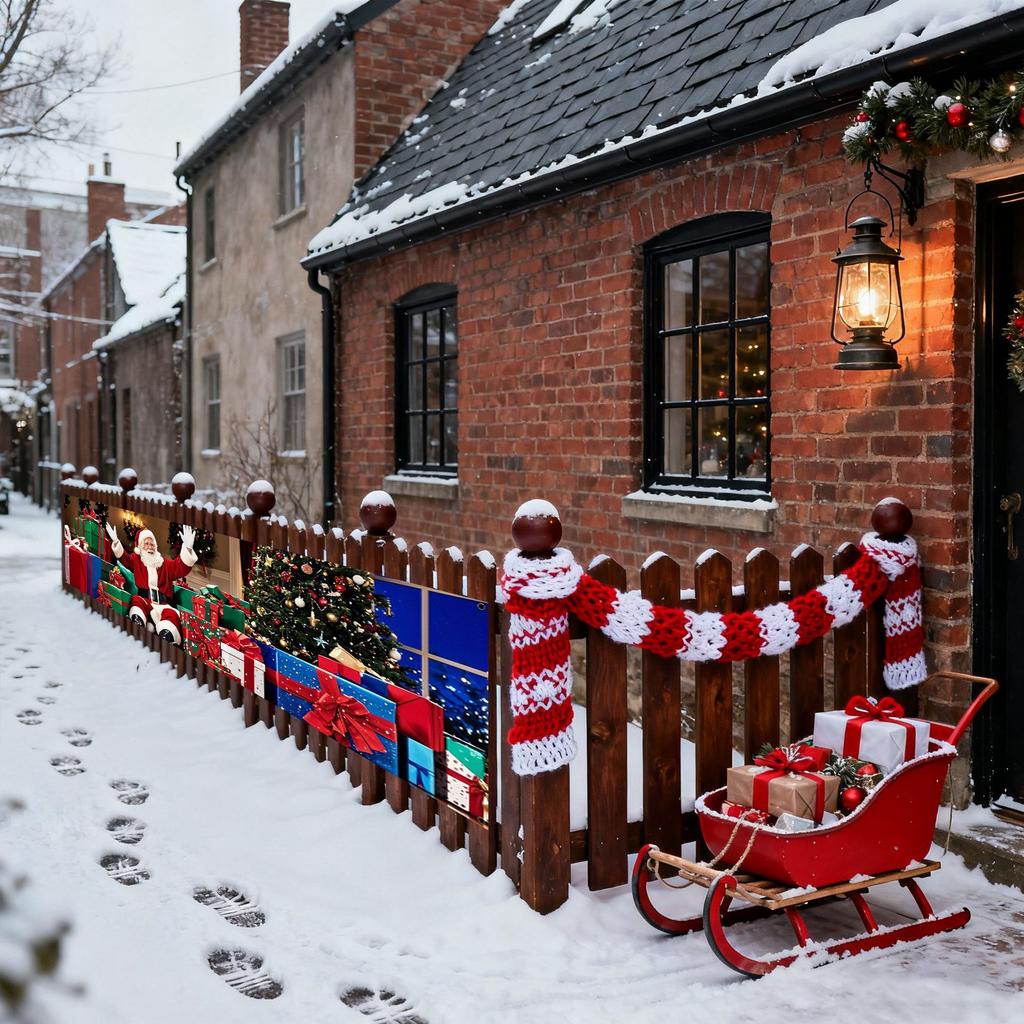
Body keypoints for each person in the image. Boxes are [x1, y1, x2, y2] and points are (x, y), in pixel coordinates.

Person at [105, 522, 197, 644]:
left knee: (171, 614)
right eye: (146, 543)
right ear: (140, 547)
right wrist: (116, 542)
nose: (150, 546)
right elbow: (124, 558)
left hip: (164, 604)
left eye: (152, 543)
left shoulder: (165, 564)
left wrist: (188, 549)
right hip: (145, 601)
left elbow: (180, 567)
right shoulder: (137, 560)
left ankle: (167, 635)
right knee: (137, 601)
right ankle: (138, 625)